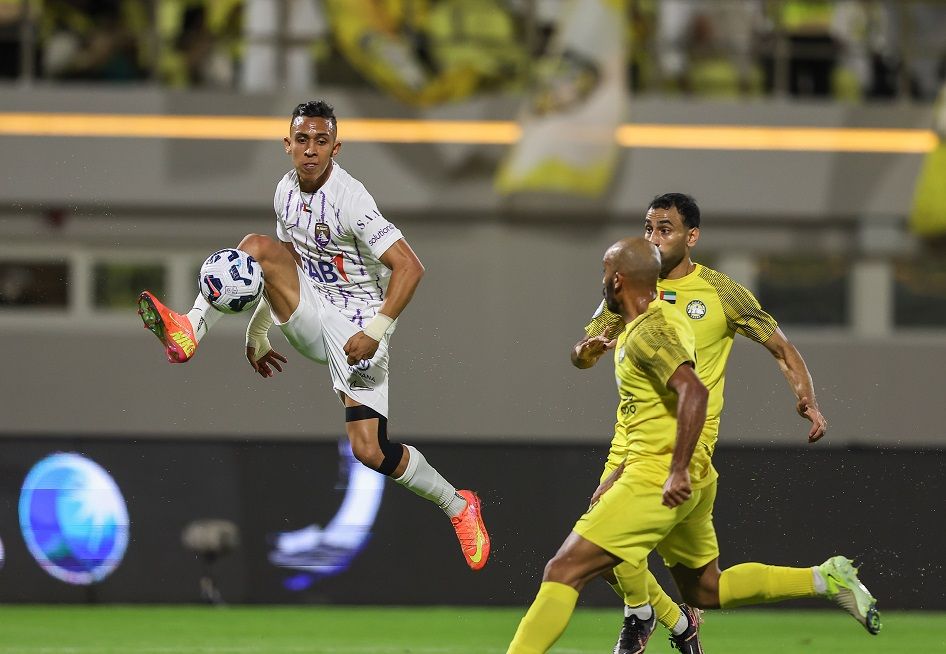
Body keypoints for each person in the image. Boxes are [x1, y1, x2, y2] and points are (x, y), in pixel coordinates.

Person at [136, 100, 490, 572]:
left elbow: (410, 267)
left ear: (335, 148)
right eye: (302, 140)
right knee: (256, 247)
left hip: (361, 325)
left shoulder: (352, 199)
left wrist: (376, 330)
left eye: (321, 141)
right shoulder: (285, 192)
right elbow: (283, 264)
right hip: (312, 308)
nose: (310, 150)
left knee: (370, 450)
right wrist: (259, 331)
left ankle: (459, 506)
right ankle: (190, 328)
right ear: (288, 145)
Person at [506, 238, 880, 654]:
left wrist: (675, 468)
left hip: (659, 475)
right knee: (706, 588)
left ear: (617, 280)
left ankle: (642, 614)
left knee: (564, 569)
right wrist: (623, 471)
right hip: (682, 471)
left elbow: (694, 393)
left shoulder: (651, 329)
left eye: (604, 272)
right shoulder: (653, 319)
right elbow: (651, 408)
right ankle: (824, 579)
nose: (603, 280)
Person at [572, 193, 828, 652]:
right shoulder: (630, 287)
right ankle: (667, 618)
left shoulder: (722, 293)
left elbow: (782, 349)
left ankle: (647, 616)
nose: (652, 237)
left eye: (664, 228)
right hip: (631, 435)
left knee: (594, 546)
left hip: (686, 444)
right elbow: (584, 349)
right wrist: (586, 352)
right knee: (607, 556)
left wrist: (807, 399)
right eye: (648, 227)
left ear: (692, 237)